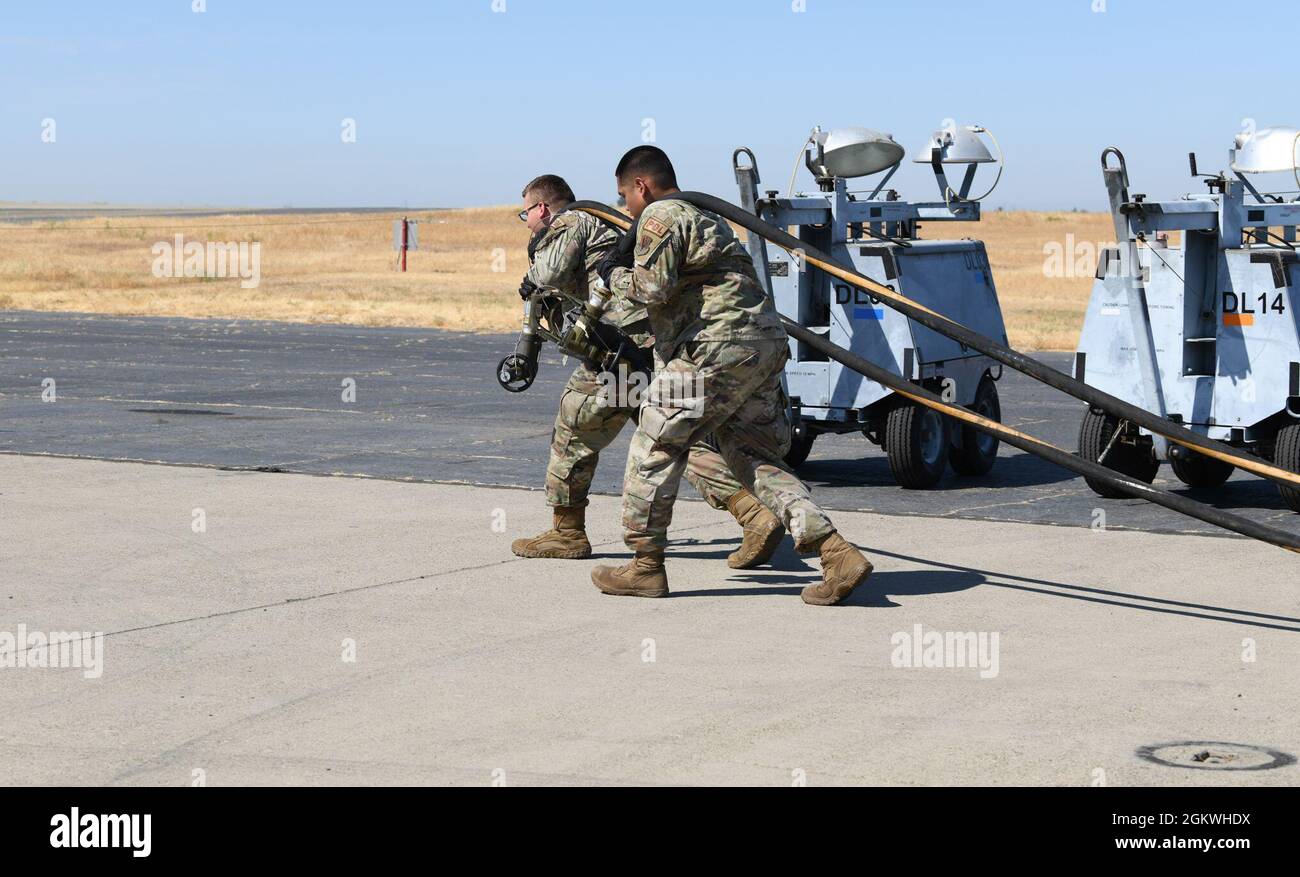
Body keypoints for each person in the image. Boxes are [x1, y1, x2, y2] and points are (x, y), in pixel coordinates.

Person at [588, 147, 874, 605]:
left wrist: (613, 275)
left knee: (655, 443)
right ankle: (836, 553)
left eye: (625, 196)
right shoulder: (704, 216)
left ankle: (645, 566)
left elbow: (652, 289)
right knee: (751, 457)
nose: (626, 207)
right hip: (759, 347)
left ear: (641, 185)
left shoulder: (660, 215)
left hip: (711, 348)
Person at [509, 173, 785, 569]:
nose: (528, 224)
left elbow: (549, 275)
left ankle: (568, 531)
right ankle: (752, 513)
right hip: (631, 348)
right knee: (665, 437)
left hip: (616, 350)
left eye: (526, 214)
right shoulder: (601, 224)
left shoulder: (570, 220)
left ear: (541, 208)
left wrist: (530, 280)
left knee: (577, 431)